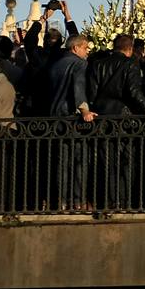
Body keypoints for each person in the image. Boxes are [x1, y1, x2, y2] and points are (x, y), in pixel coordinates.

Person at [86, 34, 145, 211]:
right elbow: (133, 91)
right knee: (126, 162)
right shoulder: (129, 63)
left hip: (102, 117)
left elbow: (92, 91)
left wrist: (92, 108)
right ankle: (124, 201)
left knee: (106, 161)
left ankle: (108, 200)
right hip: (124, 118)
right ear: (130, 48)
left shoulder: (99, 64)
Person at [49, 34, 95, 212]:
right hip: (71, 119)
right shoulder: (79, 63)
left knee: (62, 161)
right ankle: (77, 200)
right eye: (85, 48)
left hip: (55, 117)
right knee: (79, 160)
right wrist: (84, 110)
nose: (87, 52)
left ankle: (61, 200)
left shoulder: (56, 64)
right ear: (76, 48)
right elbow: (79, 87)